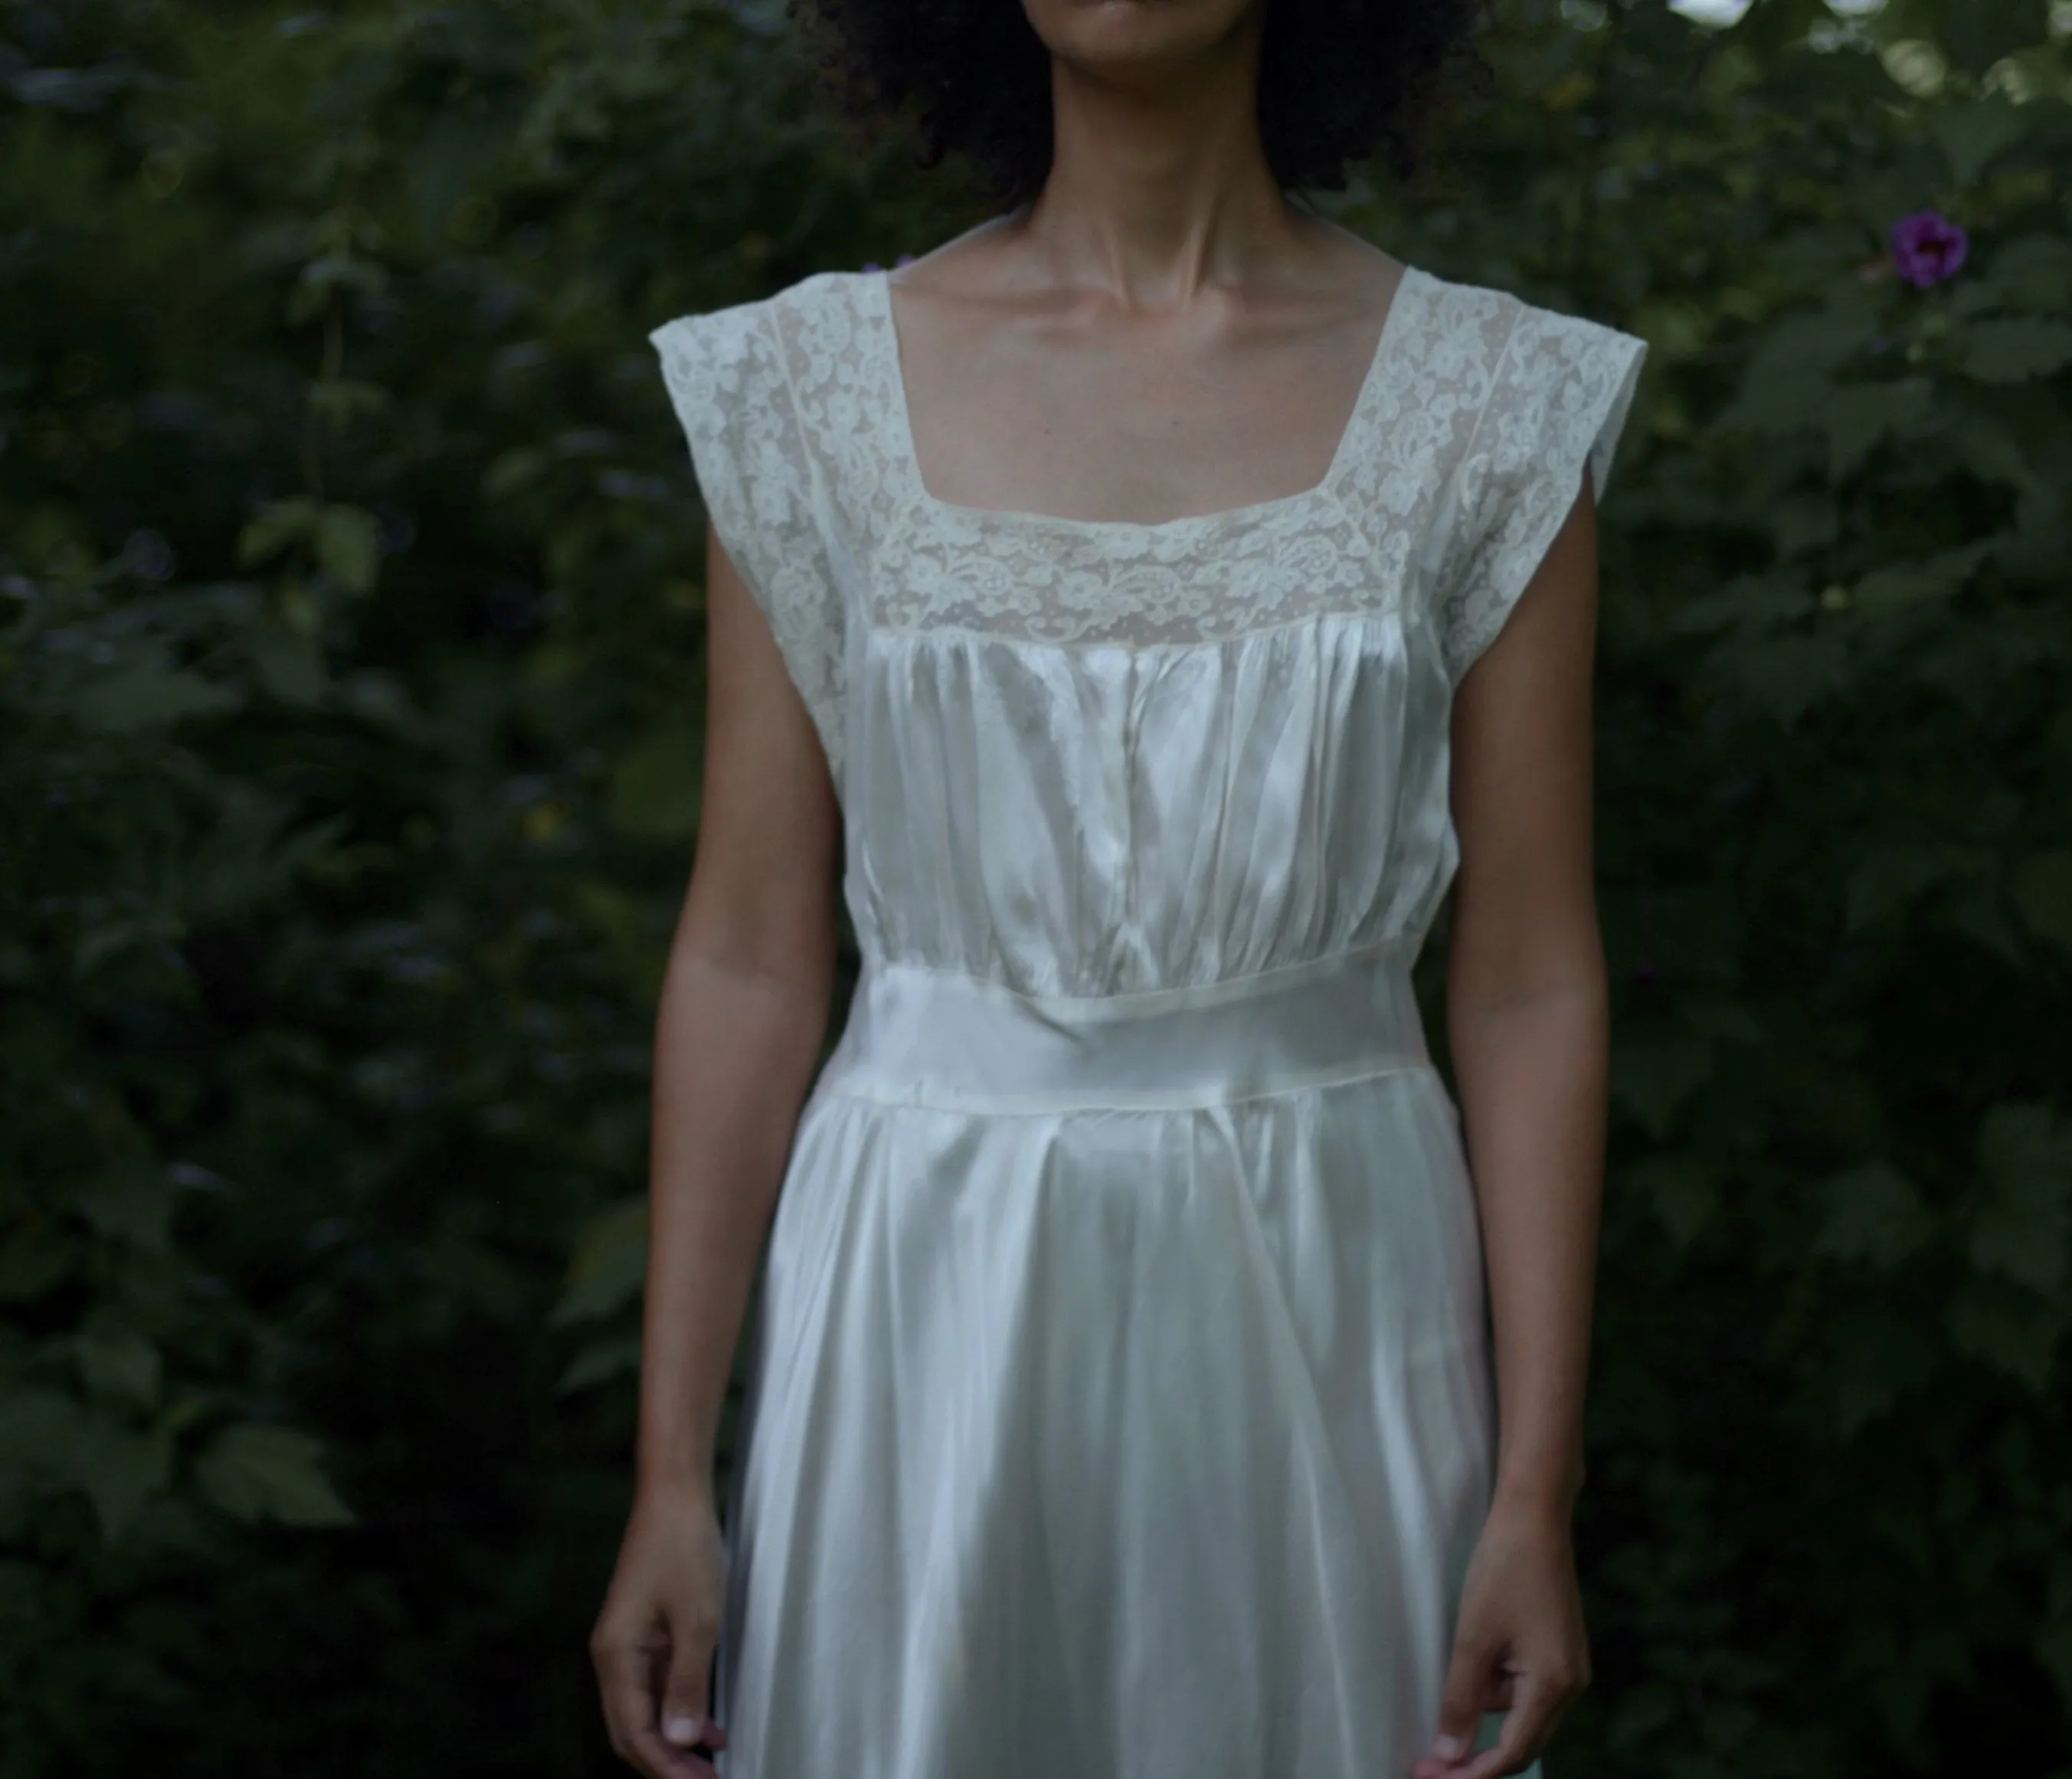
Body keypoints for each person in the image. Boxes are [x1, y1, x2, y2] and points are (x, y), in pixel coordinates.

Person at [591, 2, 1645, 1775]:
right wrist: (669, 1476)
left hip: (1335, 1296)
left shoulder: (1494, 402)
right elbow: (752, 954)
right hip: (917, 1298)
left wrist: (1534, 1494)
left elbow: (1533, 974)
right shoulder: (804, 390)